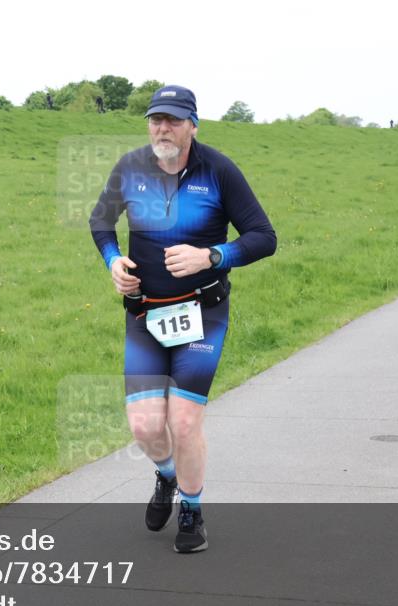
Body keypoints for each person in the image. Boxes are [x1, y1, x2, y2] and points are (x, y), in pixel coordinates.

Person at [89, 85, 276, 553]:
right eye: (156, 120)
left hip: (202, 313)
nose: (163, 129)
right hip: (145, 315)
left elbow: (263, 236)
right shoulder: (130, 167)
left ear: (193, 125)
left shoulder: (219, 171)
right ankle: (168, 476)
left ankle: (192, 510)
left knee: (185, 421)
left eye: (173, 120)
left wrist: (212, 256)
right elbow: (100, 221)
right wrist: (113, 261)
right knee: (146, 427)